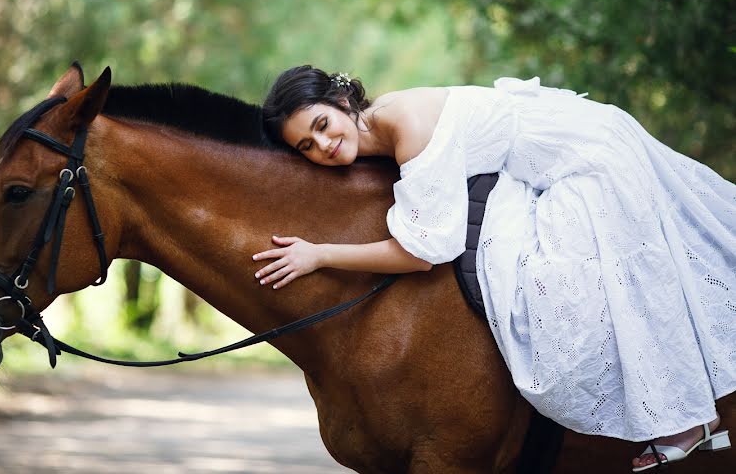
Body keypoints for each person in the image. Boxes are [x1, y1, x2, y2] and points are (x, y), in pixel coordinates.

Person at [251, 65, 735, 471]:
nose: (323, 146)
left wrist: (320, 253)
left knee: (575, 278)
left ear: (341, 101)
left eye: (320, 125)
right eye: (306, 148)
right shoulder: (375, 126)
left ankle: (688, 417)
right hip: (542, 163)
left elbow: (422, 253)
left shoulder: (406, 124)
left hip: (584, 156)